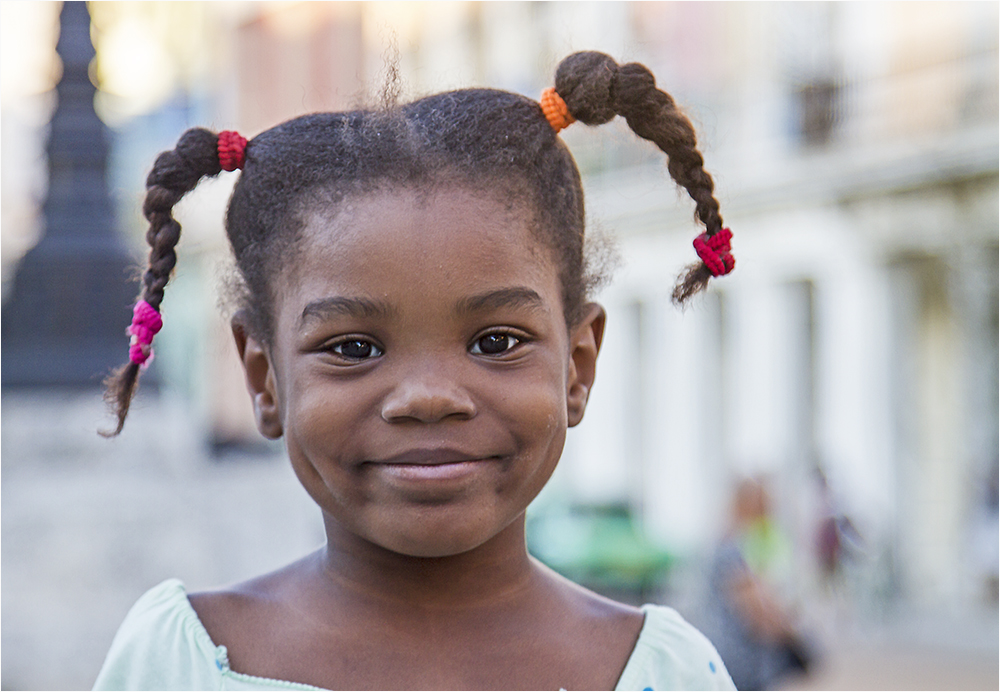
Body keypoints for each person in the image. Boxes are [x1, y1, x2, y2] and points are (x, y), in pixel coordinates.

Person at [94, 51, 737, 691]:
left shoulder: (667, 673)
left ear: (577, 366)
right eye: (352, 349)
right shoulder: (182, 664)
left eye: (495, 341)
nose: (429, 397)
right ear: (265, 380)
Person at [698, 479, 812, 690]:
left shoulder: (725, 543)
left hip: (721, 652)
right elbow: (757, 609)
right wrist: (796, 636)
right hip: (737, 658)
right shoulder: (731, 549)